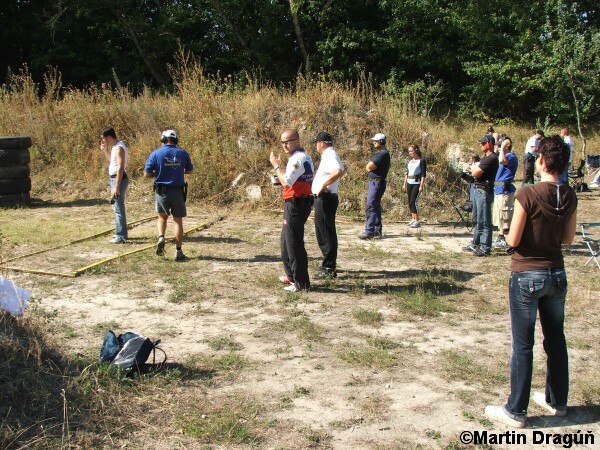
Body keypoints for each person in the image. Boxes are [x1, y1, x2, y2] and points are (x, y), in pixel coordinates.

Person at [485, 135, 577, 428]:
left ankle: (516, 410)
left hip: (526, 274)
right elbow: (567, 239)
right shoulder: (570, 194)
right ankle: (556, 400)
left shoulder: (527, 194)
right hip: (556, 274)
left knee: (523, 345)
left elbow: (512, 239)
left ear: (541, 160)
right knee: (556, 340)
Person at [270, 128, 314, 292]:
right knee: (285, 241)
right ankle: (292, 275)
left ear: (297, 140)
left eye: (288, 141)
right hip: (296, 202)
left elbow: (287, 182)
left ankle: (301, 282)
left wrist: (276, 167)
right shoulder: (301, 157)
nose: (285, 145)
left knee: (294, 243)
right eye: (282, 142)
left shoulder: (298, 158)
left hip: (296, 204)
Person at [144, 129, 194, 261]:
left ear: (163, 139)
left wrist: (159, 173)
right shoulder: (182, 153)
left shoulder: (156, 153)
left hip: (161, 191)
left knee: (162, 218)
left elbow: (147, 174)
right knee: (178, 221)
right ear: (175, 139)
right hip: (177, 191)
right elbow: (189, 170)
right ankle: (179, 251)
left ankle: (161, 237)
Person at [311, 131, 344, 279]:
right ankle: (328, 264)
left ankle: (329, 268)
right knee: (324, 232)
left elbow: (339, 171)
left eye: (316, 143)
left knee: (325, 233)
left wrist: (323, 185)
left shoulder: (330, 155)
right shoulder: (329, 155)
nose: (316, 146)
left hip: (325, 197)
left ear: (322, 143)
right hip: (325, 198)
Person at [462, 135, 499, 256]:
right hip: (478, 190)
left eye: (483, 143)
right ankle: (475, 243)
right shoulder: (485, 158)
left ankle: (485, 248)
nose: (480, 145)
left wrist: (471, 168)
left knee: (484, 220)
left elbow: (476, 173)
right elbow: (474, 175)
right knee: (476, 219)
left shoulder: (491, 158)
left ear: (489, 144)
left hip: (484, 191)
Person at [100, 127, 129, 244]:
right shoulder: (114, 148)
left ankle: (121, 235)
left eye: (104, 139)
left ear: (109, 137)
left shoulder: (119, 148)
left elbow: (120, 168)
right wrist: (104, 150)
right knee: (116, 207)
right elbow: (112, 163)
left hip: (118, 179)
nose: (104, 141)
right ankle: (120, 232)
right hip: (114, 179)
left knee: (118, 208)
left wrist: (116, 186)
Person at [359, 133, 390, 239]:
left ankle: (369, 231)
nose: (374, 142)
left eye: (376, 141)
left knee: (371, 205)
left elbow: (369, 166)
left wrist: (369, 167)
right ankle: (377, 229)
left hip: (376, 182)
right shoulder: (381, 154)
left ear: (382, 142)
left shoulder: (382, 154)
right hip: (376, 182)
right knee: (375, 206)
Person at [493, 137, 518, 249]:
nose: (497, 147)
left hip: (505, 189)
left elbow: (502, 160)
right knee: (499, 215)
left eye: (499, 145)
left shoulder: (511, 157)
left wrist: (503, 148)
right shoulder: (503, 155)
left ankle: (505, 238)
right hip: (499, 188)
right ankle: (500, 235)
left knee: (505, 214)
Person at [403, 144, 426, 228]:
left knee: (413, 201)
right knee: (410, 201)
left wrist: (421, 185)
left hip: (417, 183)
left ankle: (417, 220)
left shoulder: (421, 161)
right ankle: (413, 218)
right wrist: (404, 184)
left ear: (416, 150)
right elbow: (407, 173)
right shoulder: (410, 161)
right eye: (409, 151)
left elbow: (423, 174)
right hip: (409, 182)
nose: (410, 153)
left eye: (411, 151)